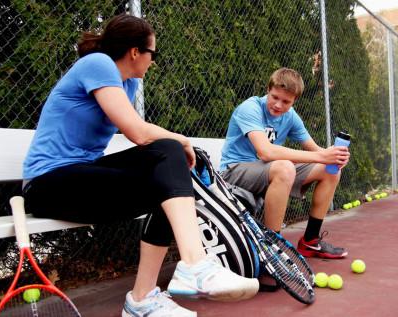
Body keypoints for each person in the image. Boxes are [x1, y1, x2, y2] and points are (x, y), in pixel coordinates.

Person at [22, 14, 258, 317]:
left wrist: (175, 146)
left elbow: (143, 136)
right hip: (48, 184)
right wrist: (183, 141)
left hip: (81, 177)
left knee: (167, 176)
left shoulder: (129, 83)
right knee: (169, 148)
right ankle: (196, 265)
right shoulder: (98, 63)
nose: (153, 62)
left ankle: (142, 298)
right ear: (135, 51)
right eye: (152, 54)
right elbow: (137, 131)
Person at [220, 68, 350, 260]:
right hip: (234, 171)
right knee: (285, 167)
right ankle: (273, 248)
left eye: (286, 101)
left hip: (268, 170)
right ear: (268, 89)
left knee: (330, 171)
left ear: (294, 100)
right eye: (274, 97)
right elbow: (266, 152)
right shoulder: (250, 108)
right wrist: (322, 157)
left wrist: (334, 156)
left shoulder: (290, 116)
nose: (278, 105)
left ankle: (310, 241)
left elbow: (315, 150)